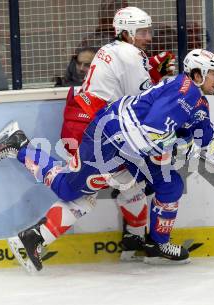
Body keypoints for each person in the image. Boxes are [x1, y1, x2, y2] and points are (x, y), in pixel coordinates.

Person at [0, 49, 214, 272]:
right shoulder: (184, 93)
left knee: (170, 184)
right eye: (213, 74)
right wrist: (183, 144)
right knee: (69, 189)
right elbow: (151, 134)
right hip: (107, 141)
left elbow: (209, 138)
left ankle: (157, 245)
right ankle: (20, 145)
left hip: (131, 147)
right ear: (197, 74)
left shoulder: (196, 100)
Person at [59, 7, 176, 262]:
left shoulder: (112, 49)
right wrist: (171, 87)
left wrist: (154, 71)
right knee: (77, 192)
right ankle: (22, 149)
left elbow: (129, 92)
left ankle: (133, 238)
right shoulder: (131, 54)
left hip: (89, 124)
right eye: (143, 31)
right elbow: (143, 102)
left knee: (130, 182)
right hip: (94, 131)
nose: (149, 37)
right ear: (127, 32)